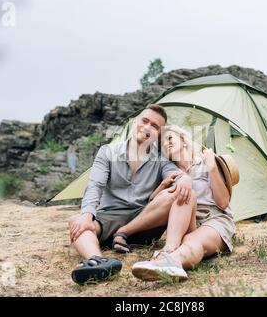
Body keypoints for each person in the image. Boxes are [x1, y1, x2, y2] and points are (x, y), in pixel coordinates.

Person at [68, 105, 192, 285]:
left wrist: (185, 179)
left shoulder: (161, 159)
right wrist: (87, 216)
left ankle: (123, 233)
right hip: (110, 217)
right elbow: (95, 185)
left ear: (158, 135)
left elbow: (177, 176)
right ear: (135, 122)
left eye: (155, 126)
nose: (147, 127)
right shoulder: (107, 152)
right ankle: (97, 262)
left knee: (174, 194)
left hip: (144, 221)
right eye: (145, 120)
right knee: (76, 221)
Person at [131, 125, 239, 281]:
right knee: (186, 193)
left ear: (183, 140)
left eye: (169, 138)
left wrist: (212, 167)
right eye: (161, 145)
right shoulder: (170, 172)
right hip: (187, 221)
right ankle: (168, 252)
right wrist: (162, 186)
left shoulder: (204, 161)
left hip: (214, 220)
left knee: (191, 240)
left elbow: (223, 202)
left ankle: (173, 262)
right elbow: (154, 207)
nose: (166, 144)